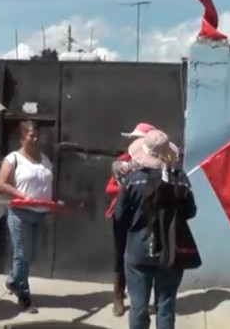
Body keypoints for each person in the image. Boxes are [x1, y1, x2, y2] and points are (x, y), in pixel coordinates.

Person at [114, 130, 200, 329]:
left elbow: (119, 215)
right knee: (166, 307)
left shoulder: (133, 180)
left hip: (138, 249)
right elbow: (190, 212)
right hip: (171, 250)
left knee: (138, 307)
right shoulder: (181, 180)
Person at [0, 120, 54, 314]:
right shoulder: (13, 158)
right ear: (22, 138)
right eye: (31, 135)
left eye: (37, 135)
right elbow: (1, 184)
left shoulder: (45, 160)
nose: (35, 139)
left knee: (29, 255)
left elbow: (47, 184)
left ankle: (13, 281)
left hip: (39, 213)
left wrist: (50, 205)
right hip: (19, 212)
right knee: (21, 253)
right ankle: (24, 295)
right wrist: (22, 195)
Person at [105, 122, 156, 316]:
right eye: (133, 139)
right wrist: (129, 189)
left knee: (144, 257)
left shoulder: (156, 163)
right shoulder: (123, 162)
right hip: (124, 214)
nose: (133, 142)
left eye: (138, 139)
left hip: (146, 216)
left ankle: (140, 300)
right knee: (120, 255)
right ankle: (118, 297)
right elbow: (109, 188)